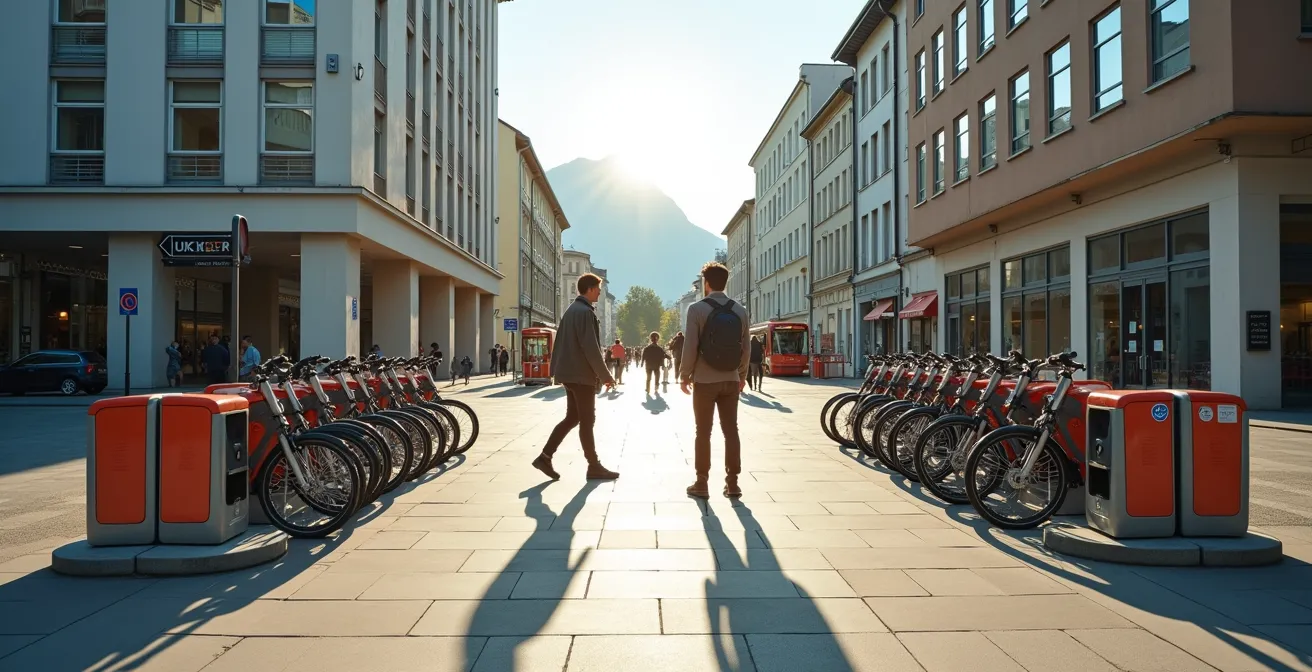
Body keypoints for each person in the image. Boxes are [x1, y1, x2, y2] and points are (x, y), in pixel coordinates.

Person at [531, 273, 619, 481]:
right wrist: (606, 375)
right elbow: (591, 348)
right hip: (581, 375)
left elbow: (560, 342)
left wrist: (556, 370)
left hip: (569, 373)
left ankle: (545, 457)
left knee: (573, 417)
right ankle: (593, 466)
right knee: (587, 420)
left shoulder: (572, 310)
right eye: (598, 289)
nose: (599, 293)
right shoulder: (585, 312)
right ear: (590, 289)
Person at [679, 261, 749, 499]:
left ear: (706, 283)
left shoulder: (697, 309)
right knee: (731, 431)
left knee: (703, 432)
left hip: (704, 380)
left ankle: (701, 482)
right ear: (725, 282)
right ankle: (733, 483)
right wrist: (741, 376)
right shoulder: (740, 310)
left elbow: (690, 345)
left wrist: (685, 375)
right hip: (730, 379)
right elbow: (745, 348)